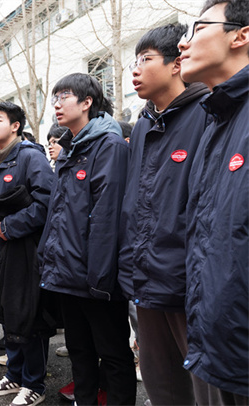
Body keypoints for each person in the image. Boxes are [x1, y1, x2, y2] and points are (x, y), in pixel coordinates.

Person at [118, 23, 213, 405]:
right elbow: (133, 202)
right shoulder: (143, 124)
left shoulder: (208, 112)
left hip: (187, 284)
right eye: (134, 61)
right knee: (161, 384)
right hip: (145, 279)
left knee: (206, 387)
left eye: (146, 59)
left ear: (176, 63)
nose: (136, 69)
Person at [38, 73, 136, 405]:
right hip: (68, 273)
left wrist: (100, 278)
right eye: (55, 97)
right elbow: (57, 213)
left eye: (64, 96)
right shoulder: (69, 149)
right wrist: (47, 259)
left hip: (96, 278)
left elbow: (108, 218)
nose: (56, 104)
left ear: (86, 102)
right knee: (79, 352)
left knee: (113, 353)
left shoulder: (109, 145)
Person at [177, 0, 249, 403]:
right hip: (221, 339)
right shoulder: (218, 120)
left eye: (199, 28)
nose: (183, 44)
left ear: (241, 35)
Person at [0, 101, 55, 406]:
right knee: (10, 318)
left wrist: (11, 226)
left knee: (28, 319)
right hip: (0, 253)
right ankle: (15, 374)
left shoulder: (30, 157)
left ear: (15, 126)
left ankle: (34, 383)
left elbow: (46, 202)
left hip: (24, 252)